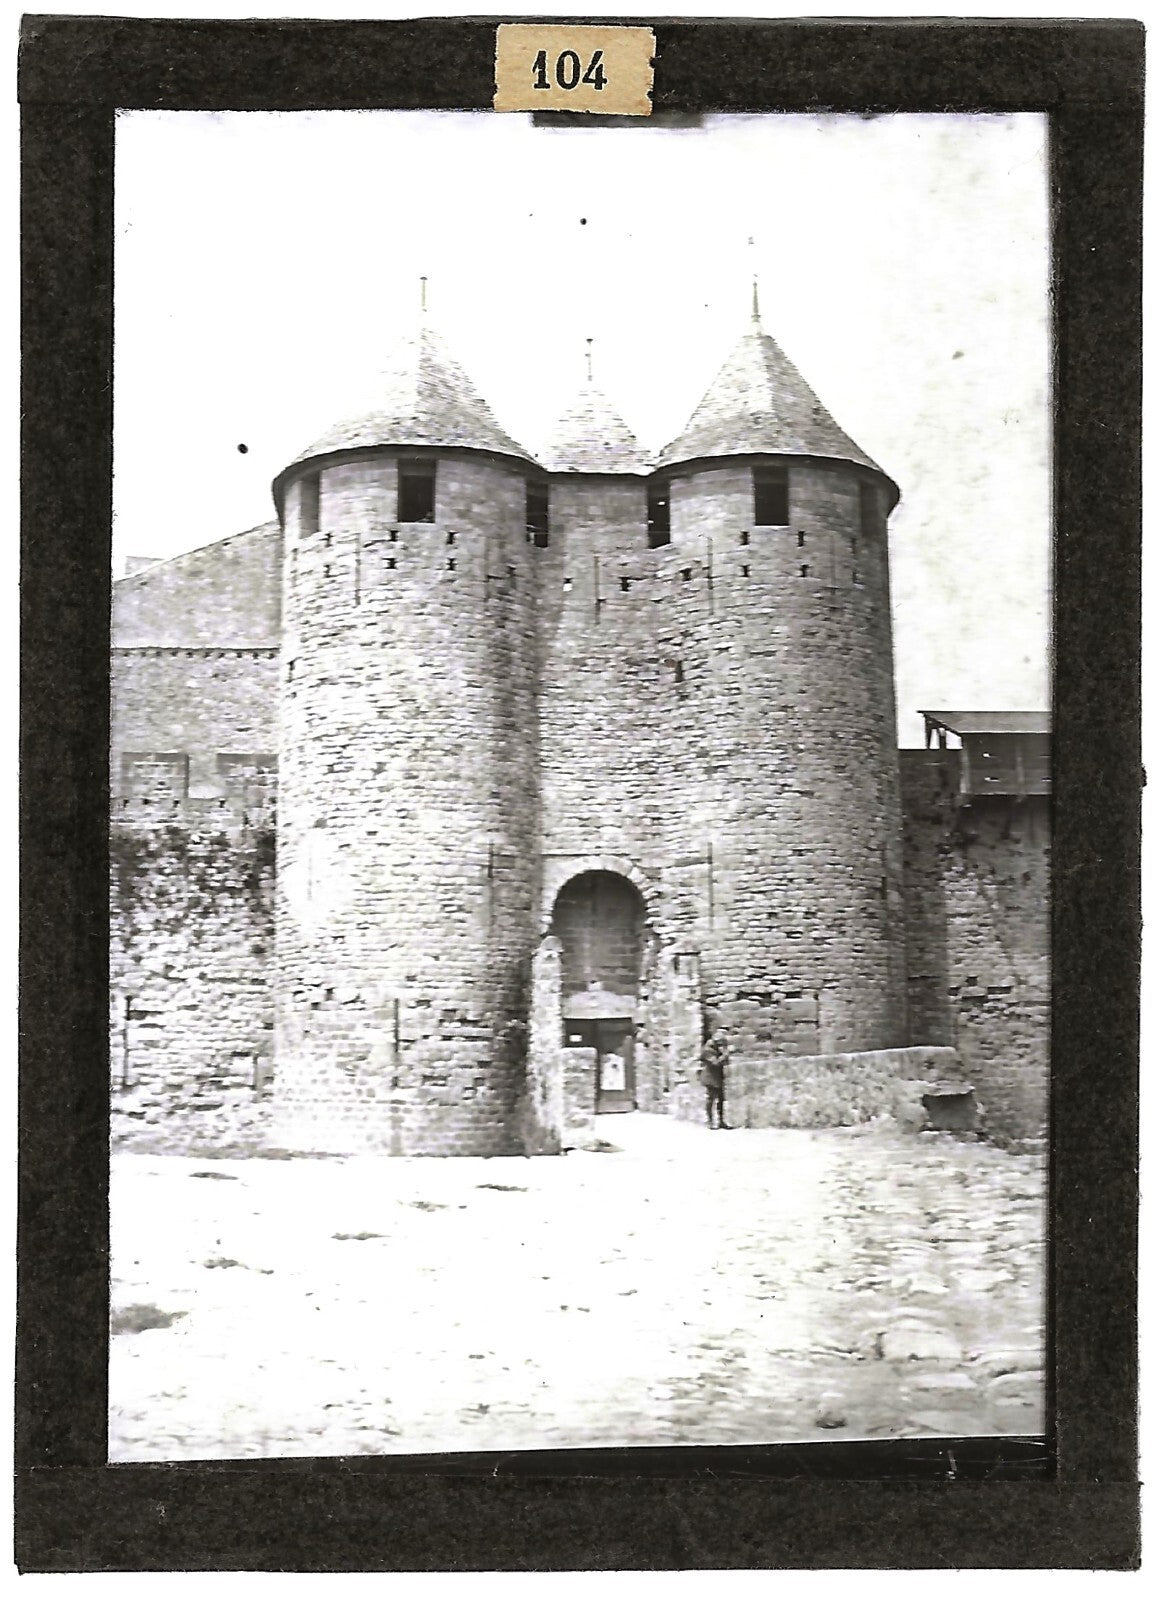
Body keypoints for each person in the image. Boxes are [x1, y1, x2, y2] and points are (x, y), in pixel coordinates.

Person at [700, 1023, 729, 1129]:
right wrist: (724, 1056)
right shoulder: (707, 1050)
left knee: (721, 1099)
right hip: (710, 1077)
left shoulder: (717, 1049)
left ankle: (721, 1121)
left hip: (719, 1076)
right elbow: (715, 1063)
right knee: (710, 1099)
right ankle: (709, 1121)